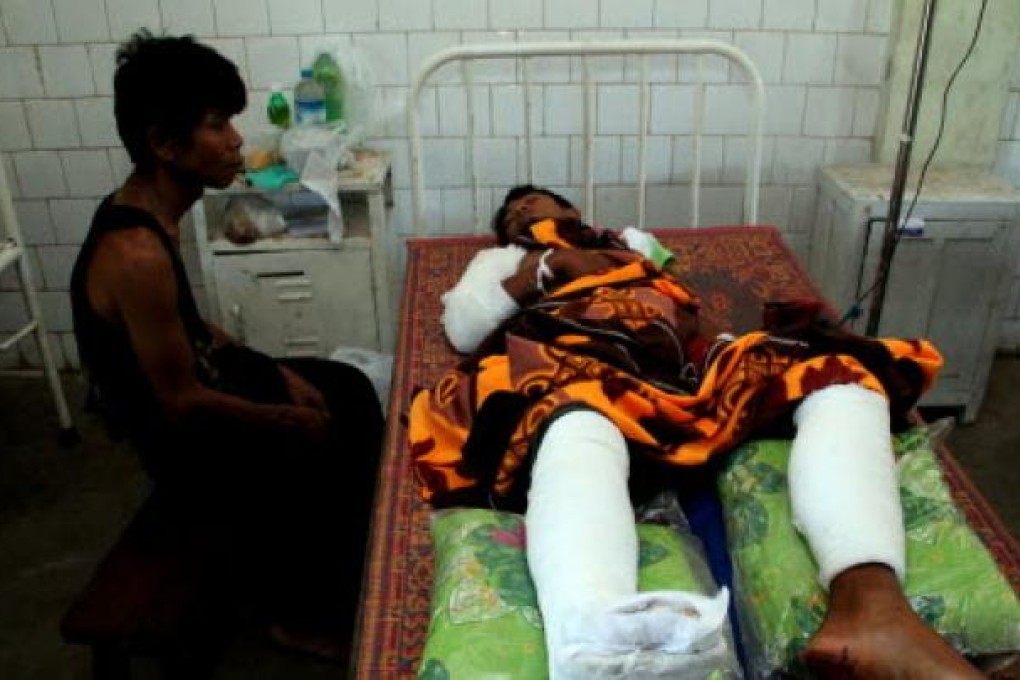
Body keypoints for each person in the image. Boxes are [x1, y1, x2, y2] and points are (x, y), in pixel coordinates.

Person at [410, 185, 981, 678]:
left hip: (678, 366)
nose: (522, 208)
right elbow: (463, 327)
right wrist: (546, 270)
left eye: (534, 199)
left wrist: (708, 338)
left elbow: (682, 289)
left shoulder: (628, 241)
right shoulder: (505, 260)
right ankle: (591, 638)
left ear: (571, 206)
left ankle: (871, 605)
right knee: (575, 419)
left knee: (839, 373)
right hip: (571, 354)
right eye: (512, 209)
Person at [69, 31, 383, 660]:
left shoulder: (153, 211)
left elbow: (196, 329)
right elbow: (181, 404)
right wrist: (285, 416)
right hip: (178, 443)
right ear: (164, 144)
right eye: (218, 125)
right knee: (326, 437)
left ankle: (351, 569)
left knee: (344, 388)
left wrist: (272, 371)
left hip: (200, 389)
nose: (237, 140)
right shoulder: (134, 253)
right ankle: (301, 612)